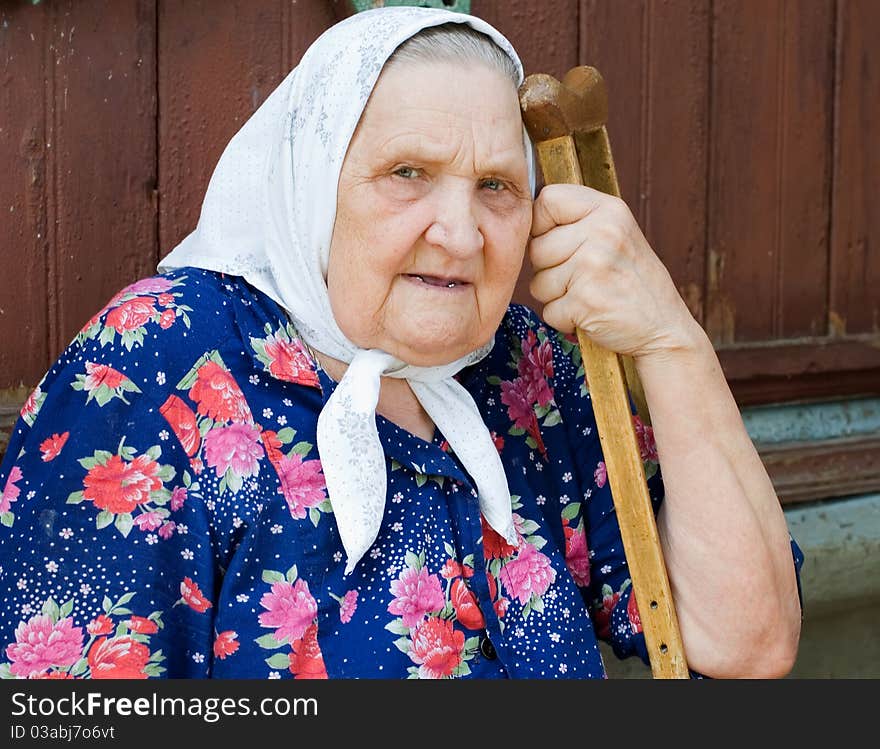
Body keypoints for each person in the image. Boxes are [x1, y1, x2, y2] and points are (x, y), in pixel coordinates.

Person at [0, 6, 802, 680]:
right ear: (314, 182)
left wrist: (671, 342)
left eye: (496, 186)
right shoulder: (157, 366)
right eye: (408, 172)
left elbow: (749, 642)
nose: (459, 235)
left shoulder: (525, 372)